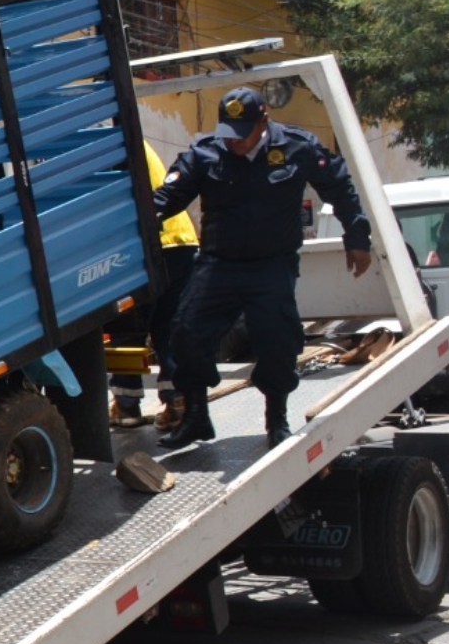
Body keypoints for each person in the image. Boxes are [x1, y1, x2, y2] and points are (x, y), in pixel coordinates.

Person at [152, 86, 372, 449]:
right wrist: (143, 217)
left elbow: (339, 187)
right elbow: (168, 198)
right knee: (185, 334)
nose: (235, 143)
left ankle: (276, 418)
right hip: (218, 263)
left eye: (243, 134)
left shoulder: (297, 147)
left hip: (272, 264)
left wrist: (357, 239)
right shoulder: (207, 152)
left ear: (263, 121)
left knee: (277, 341)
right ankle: (195, 417)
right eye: (229, 134)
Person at [110, 140, 201, 431]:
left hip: (143, 246)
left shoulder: (105, 148)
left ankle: (126, 405)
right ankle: (177, 402)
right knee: (169, 326)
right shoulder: (134, 140)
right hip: (179, 241)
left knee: (128, 326)